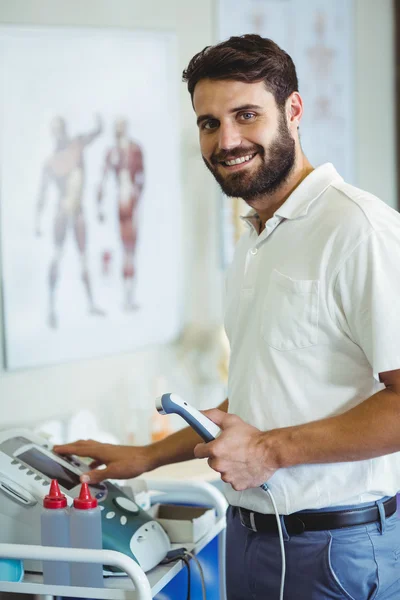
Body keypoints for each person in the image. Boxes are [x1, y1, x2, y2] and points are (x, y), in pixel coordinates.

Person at [54, 35, 400, 599]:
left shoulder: (359, 230)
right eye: (209, 122)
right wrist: (147, 456)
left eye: (246, 115)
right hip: (250, 538)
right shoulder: (257, 238)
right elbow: (278, 392)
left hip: (336, 552)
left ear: (293, 111)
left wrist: (269, 451)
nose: (227, 140)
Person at [35, 115, 105, 328]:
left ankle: (91, 304)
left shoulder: (77, 145)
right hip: (63, 213)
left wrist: (99, 123)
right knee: (57, 256)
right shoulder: (51, 162)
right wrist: (37, 221)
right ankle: (51, 308)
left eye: (60, 129)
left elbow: (95, 133)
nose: (58, 133)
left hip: (77, 213)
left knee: (83, 257)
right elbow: (43, 193)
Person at [96, 117, 144, 310]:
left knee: (130, 250)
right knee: (118, 249)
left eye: (120, 127)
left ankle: (129, 295)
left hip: (131, 204)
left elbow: (142, 176)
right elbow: (103, 178)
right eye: (116, 127)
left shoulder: (134, 150)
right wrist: (100, 204)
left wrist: (136, 196)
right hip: (118, 204)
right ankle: (118, 295)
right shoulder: (112, 153)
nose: (118, 131)